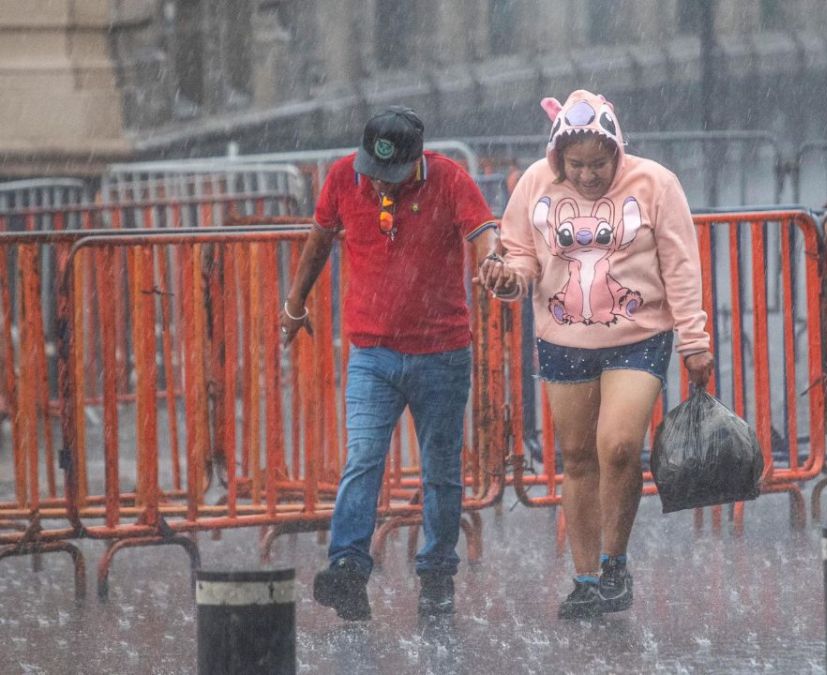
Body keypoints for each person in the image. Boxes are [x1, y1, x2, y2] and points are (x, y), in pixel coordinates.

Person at [476, 89, 714, 618]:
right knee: (579, 459)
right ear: (558, 157)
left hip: (639, 336)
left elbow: (681, 264)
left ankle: (615, 563)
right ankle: (586, 580)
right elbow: (520, 256)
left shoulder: (655, 184)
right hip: (562, 342)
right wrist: (504, 277)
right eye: (576, 165)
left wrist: (694, 341)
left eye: (598, 164)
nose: (587, 176)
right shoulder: (536, 183)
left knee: (620, 445)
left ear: (617, 152)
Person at [280, 106, 498, 620]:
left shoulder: (449, 179)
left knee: (441, 471)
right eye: (374, 175)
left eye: (392, 177)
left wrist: (494, 263)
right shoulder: (342, 177)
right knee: (363, 458)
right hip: (371, 353)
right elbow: (318, 241)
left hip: (442, 353)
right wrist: (295, 304)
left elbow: (482, 230)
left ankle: (438, 573)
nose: (380, 186)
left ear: (416, 160)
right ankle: (349, 568)